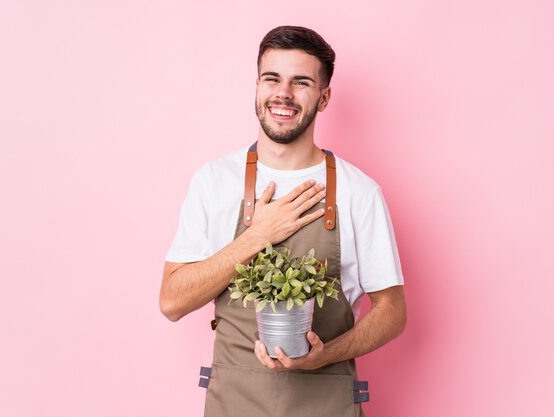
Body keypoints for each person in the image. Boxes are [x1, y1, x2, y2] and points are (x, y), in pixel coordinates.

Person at [160, 25, 407, 417]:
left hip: (326, 405)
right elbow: (172, 301)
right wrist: (257, 236)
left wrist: (326, 355)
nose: (284, 94)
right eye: (272, 78)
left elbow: (393, 311)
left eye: (301, 82)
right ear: (257, 85)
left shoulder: (359, 191)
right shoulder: (214, 181)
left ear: (324, 98)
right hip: (235, 403)